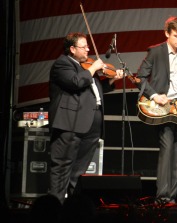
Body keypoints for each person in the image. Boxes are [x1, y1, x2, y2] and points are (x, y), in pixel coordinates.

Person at [48, 32, 123, 203]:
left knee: (78, 170)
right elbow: (75, 82)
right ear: (72, 49)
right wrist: (93, 68)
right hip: (70, 124)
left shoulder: (86, 67)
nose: (88, 49)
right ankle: (55, 206)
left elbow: (93, 91)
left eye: (88, 46)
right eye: (84, 47)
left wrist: (111, 81)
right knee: (62, 167)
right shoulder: (62, 64)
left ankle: (73, 206)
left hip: (90, 125)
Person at [136, 16, 177, 204]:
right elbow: (140, 78)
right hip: (163, 107)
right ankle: (162, 197)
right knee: (166, 150)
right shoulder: (155, 52)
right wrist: (155, 95)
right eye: (176, 36)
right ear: (167, 34)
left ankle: (172, 198)